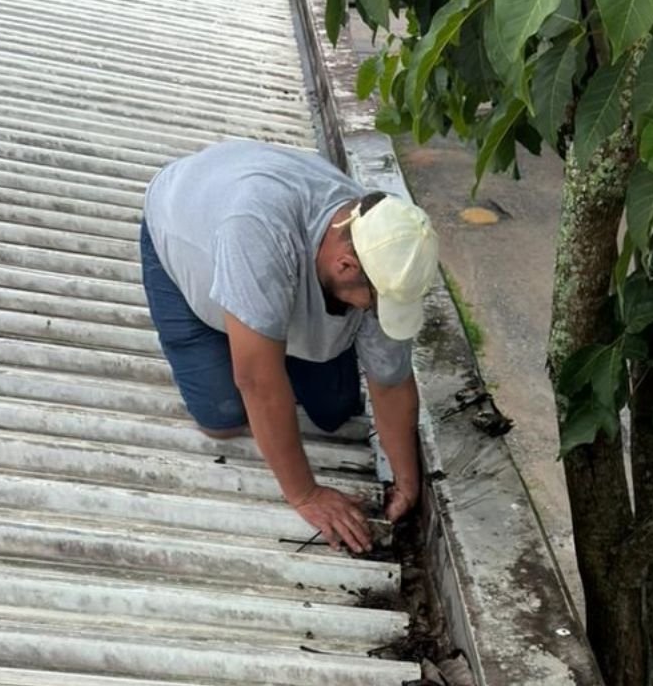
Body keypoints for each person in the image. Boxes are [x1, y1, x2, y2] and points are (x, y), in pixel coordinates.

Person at [140, 139, 438, 553]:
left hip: (262, 245)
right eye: (374, 301)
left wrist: (408, 482)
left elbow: (390, 382)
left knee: (333, 411)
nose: (374, 310)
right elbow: (258, 383)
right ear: (346, 266)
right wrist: (306, 494)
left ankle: (260, 330)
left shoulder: (378, 244)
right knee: (222, 417)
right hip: (181, 235)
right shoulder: (257, 232)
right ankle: (244, 331)